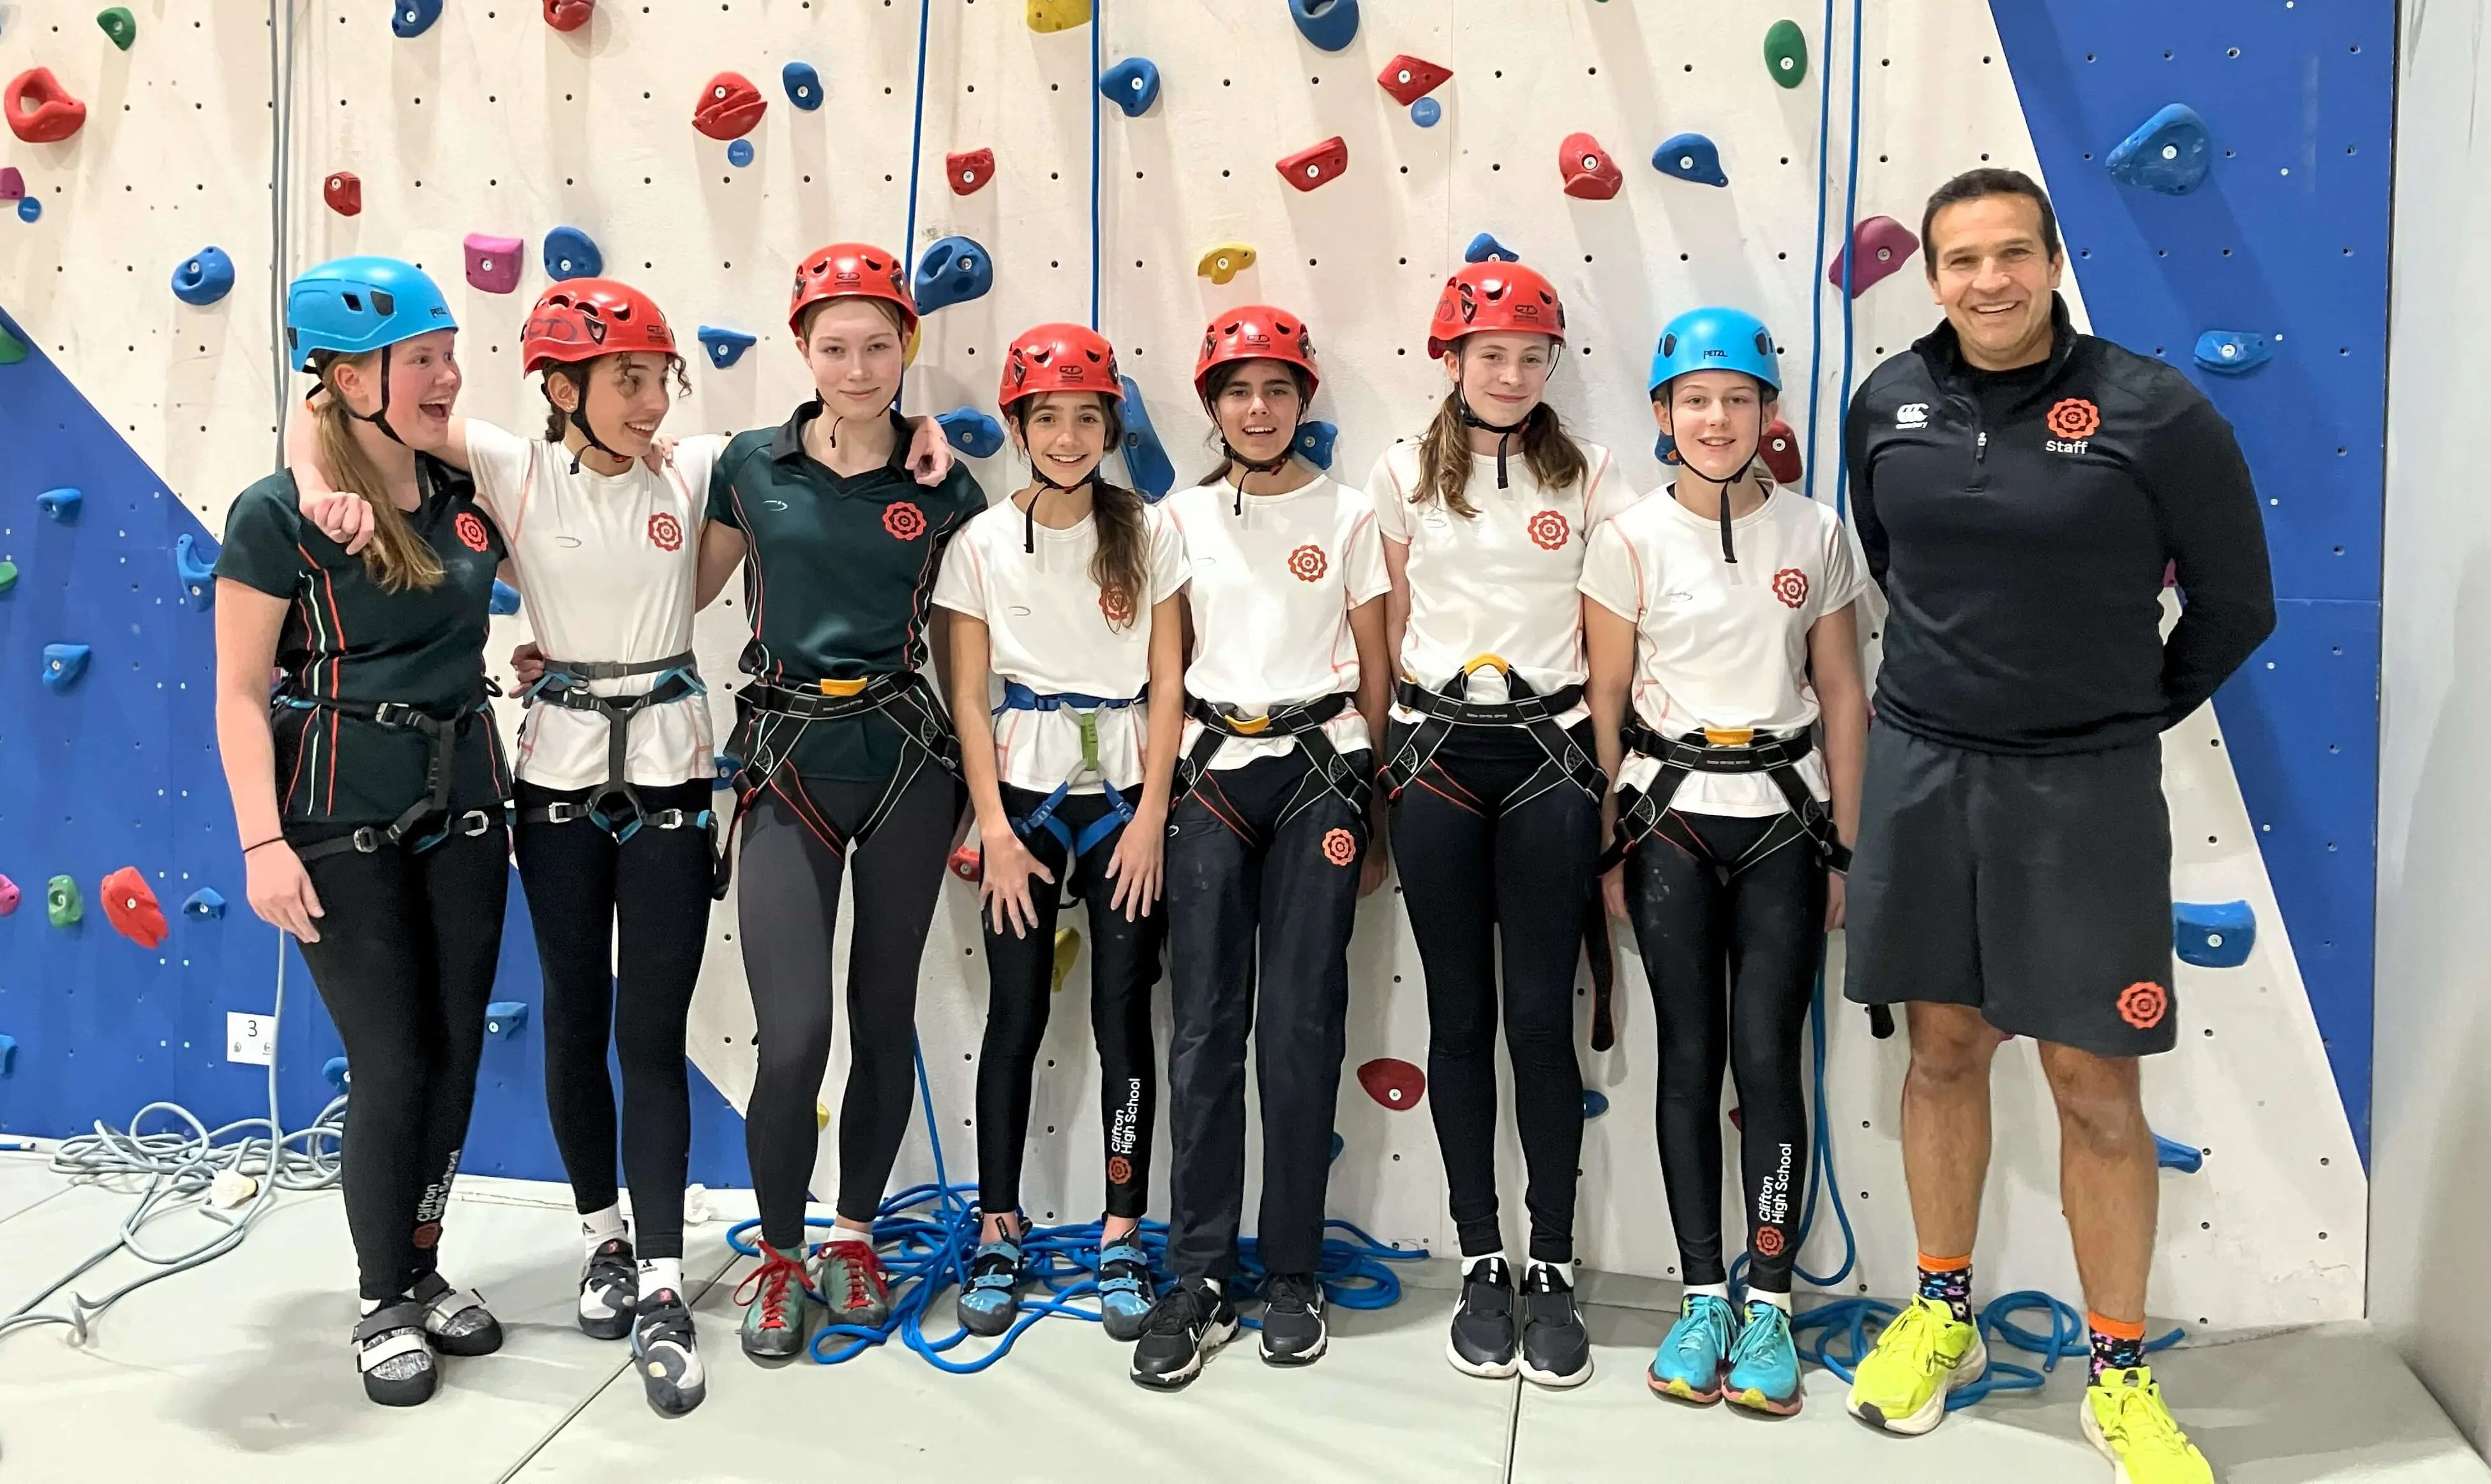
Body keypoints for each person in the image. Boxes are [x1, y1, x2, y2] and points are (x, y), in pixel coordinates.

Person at [285, 278, 913, 1416]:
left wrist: (919, 450)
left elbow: (838, 424)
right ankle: (603, 1240)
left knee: (652, 1030)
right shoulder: (511, 470)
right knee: (575, 1017)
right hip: (558, 787)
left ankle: (667, 1276)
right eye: (622, 378)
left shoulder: (700, 466)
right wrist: (323, 491)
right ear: (561, 389)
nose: (648, 398)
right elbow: (327, 401)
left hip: (671, 783)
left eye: (657, 376)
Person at [1839, 169, 2272, 1481]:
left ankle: (2120, 1372)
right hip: (1922, 771)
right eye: (1961, 260)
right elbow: (1888, 560)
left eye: (2011, 254)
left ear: (2051, 258)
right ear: (1932, 276)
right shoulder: (1887, 403)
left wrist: (2113, 712)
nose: (1988, 281)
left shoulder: (2153, 408)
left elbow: (2234, 603)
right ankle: (1941, 1314)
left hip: (2082, 788)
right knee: (1943, 1048)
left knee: (2093, 1083)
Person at [213, 257, 511, 1407]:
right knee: (393, 1061)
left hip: (470, 801)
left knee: (458, 1050)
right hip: (336, 815)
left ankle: (428, 1268)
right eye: (420, 360)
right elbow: (242, 692)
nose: (445, 376)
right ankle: (383, 1291)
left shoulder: (459, 486)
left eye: (447, 353)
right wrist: (259, 844)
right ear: (348, 375)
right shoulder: (277, 513)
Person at [1581, 307, 1867, 1416]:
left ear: (1767, 414)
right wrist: (1608, 841)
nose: (1715, 418)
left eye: (1736, 400)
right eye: (1694, 401)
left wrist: (1848, 842)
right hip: (1668, 824)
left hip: (1784, 826)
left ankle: (1768, 1309)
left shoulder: (1813, 533)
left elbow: (1842, 692)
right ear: (1662, 415)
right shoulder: (1629, 539)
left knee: (1766, 1061)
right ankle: (1700, 1297)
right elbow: (1605, 697)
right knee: (1687, 1059)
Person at [704, 243, 986, 1364]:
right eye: (835, 346)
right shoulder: (744, 463)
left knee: (881, 1018)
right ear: (801, 349)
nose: (858, 366)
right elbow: (679, 586)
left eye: (879, 345)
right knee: (796, 1034)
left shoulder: (944, 483)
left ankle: (853, 1237)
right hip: (785, 758)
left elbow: (973, 641)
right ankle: (777, 1258)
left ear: (908, 347)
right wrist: (568, 652)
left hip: (909, 760)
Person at [1366, 259, 1630, 1389]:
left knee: (1538, 1020)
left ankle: (1554, 1266)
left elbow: (1608, 635)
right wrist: (1375, 779)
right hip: (1432, 758)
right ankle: (1482, 1259)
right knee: (1459, 1017)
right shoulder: (1397, 478)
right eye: (1491, 356)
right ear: (1451, 361)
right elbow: (1385, 631)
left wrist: (1609, 786)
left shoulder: (1594, 478)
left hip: (1548, 758)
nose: (1513, 374)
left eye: (1532, 356)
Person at [1131, 307, 1391, 1390]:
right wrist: (1149, 809)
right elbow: (1163, 672)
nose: (1257, 408)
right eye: (1237, 391)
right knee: (1201, 1030)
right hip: (1210, 774)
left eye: (1277, 390)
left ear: (1302, 402)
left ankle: (1290, 1271)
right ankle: (1195, 1274)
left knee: (1299, 1024)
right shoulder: (1173, 521)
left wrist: (1371, 810)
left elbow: (1375, 673)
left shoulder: (1349, 514)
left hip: (1319, 770)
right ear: (1211, 405)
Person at [933, 322, 1185, 1349]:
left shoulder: (1150, 531)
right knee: (1016, 1016)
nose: (1070, 435)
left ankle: (1121, 1232)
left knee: (1125, 1019)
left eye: (1088, 417)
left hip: (1125, 793)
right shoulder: (982, 543)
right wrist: (993, 829)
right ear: (1019, 426)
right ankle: (1000, 1227)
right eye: (1049, 417)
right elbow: (966, 696)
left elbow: (1167, 679)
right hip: (1025, 799)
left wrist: (1155, 821)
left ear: (1110, 424)